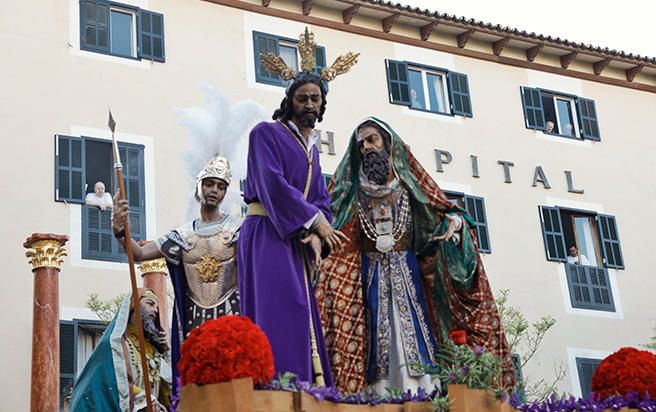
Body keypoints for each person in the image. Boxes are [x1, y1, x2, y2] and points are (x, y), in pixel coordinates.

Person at [316, 117, 516, 393]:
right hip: (369, 278)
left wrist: (454, 227)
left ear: (388, 144)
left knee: (417, 335)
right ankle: (379, 393)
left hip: (408, 273)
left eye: (372, 140)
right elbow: (333, 231)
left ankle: (425, 387)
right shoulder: (351, 194)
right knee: (376, 338)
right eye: (361, 144)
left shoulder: (410, 187)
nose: (367, 148)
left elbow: (444, 214)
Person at [239, 28, 358, 386]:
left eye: (315, 99)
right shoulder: (265, 134)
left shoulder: (313, 150)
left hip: (297, 240)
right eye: (303, 98)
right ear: (290, 100)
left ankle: (307, 386)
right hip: (267, 232)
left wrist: (319, 236)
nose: (310, 105)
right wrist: (316, 224)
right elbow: (273, 185)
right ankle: (276, 386)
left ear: (323, 104)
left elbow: (321, 197)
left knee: (302, 308)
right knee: (279, 307)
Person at [112, 155, 241, 395]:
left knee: (233, 386)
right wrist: (119, 230)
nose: (214, 191)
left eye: (221, 186)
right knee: (197, 390)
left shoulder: (239, 230)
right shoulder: (182, 237)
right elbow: (139, 254)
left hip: (231, 316)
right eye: (210, 184)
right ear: (199, 185)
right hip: (194, 321)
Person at [70, 289, 171, 411]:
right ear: (133, 306)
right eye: (150, 303)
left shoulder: (153, 352)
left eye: (156, 306)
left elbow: (171, 391)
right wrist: (146, 400)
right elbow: (112, 384)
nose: (155, 310)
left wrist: (167, 353)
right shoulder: (115, 346)